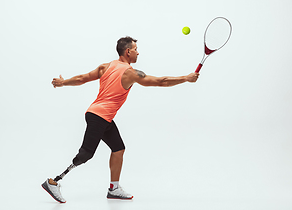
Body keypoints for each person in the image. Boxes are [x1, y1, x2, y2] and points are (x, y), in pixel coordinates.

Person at [41, 36, 199, 203]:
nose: (138, 52)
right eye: (136, 49)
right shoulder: (131, 73)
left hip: (101, 116)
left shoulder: (106, 66)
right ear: (128, 51)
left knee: (118, 148)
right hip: (100, 117)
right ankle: (54, 181)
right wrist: (186, 78)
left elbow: (82, 78)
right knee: (86, 154)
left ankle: (114, 188)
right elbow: (161, 82)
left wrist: (63, 82)